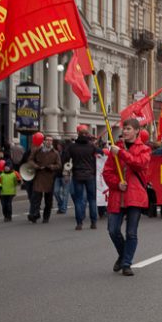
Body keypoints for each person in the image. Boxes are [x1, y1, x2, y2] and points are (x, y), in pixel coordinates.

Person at [103, 118, 151, 276]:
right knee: (113, 230)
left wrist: (121, 153)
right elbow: (107, 171)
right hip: (118, 194)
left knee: (131, 232)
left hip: (135, 195)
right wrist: (117, 184)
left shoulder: (144, 149)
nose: (125, 131)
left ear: (137, 131)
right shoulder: (115, 149)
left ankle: (126, 263)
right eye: (124, 128)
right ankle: (123, 254)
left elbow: (139, 164)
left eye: (128, 128)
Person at [64, 126, 100, 230]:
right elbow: (101, 153)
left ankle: (79, 223)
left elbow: (65, 159)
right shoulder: (91, 146)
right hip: (90, 175)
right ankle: (93, 222)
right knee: (92, 199)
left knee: (79, 199)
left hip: (77, 175)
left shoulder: (72, 147)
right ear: (88, 135)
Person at [27, 136, 61, 223]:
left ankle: (46, 217)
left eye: (51, 140)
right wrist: (35, 166)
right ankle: (34, 214)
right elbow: (30, 160)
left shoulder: (55, 153)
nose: (49, 142)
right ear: (44, 141)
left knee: (48, 199)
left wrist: (51, 167)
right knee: (36, 197)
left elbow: (59, 165)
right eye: (47, 140)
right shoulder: (37, 150)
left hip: (49, 177)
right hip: (39, 175)